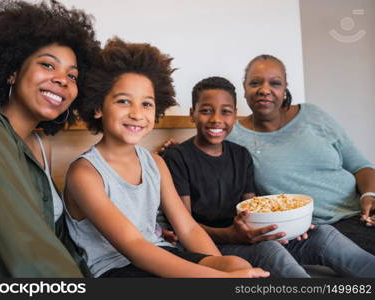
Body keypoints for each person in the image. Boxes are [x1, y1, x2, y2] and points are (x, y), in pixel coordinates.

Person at [63, 38, 270, 278]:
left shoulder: (155, 163)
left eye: (147, 104)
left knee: (236, 264)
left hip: (161, 252)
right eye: (123, 101)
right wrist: (221, 280)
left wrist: (220, 267)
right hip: (115, 269)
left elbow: (188, 228)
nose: (137, 113)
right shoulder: (84, 173)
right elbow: (133, 245)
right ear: (98, 107)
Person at [160, 76, 375, 277]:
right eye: (206, 110)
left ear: (235, 115)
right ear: (192, 114)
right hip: (212, 244)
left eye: (225, 111)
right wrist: (232, 234)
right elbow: (185, 226)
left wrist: (290, 226)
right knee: (269, 250)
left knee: (324, 235)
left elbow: (254, 209)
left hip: (246, 237)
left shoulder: (241, 155)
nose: (216, 119)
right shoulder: (178, 157)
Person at [0, 0, 100, 277]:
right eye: (48, 65)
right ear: (12, 72)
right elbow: (24, 247)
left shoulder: (40, 146)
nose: (63, 80)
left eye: (72, 75)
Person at [227, 54, 375, 255]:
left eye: (275, 83)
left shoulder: (313, 115)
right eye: (255, 83)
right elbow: (201, 154)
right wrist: (174, 149)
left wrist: (369, 195)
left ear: (285, 87)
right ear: (244, 88)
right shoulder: (232, 136)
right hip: (314, 231)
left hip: (361, 214)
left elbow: (360, 166)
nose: (264, 90)